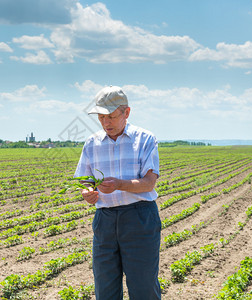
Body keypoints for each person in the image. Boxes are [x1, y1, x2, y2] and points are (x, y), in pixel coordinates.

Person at [74, 85, 161, 300]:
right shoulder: (92, 144)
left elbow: (149, 183)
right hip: (105, 220)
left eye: (111, 116)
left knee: (143, 288)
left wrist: (119, 184)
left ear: (127, 113)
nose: (106, 123)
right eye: (101, 117)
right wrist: (88, 193)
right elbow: (85, 181)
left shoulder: (145, 139)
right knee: (105, 288)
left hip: (139, 218)